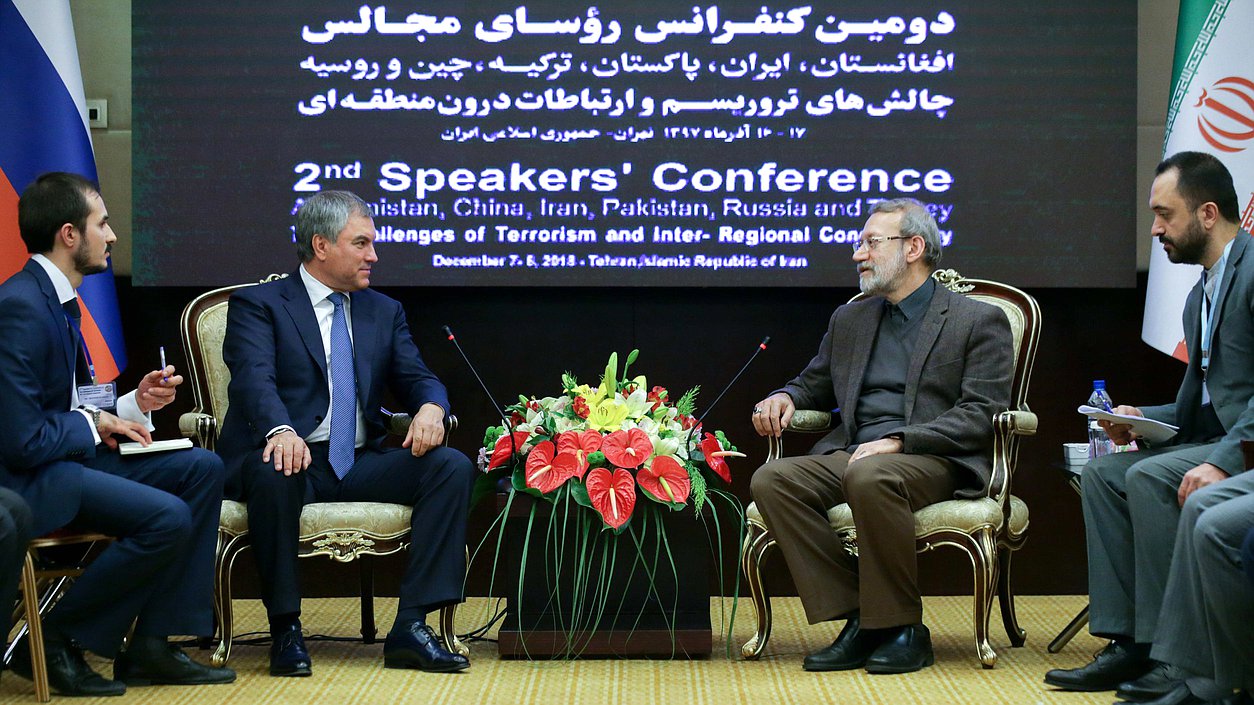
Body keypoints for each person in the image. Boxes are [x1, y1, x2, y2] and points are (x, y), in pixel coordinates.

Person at [749, 198, 1014, 674]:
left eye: (871, 242)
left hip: (932, 458)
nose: (858, 254)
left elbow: (981, 413)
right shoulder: (851, 319)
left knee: (872, 475)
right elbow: (814, 383)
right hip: (854, 452)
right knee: (773, 480)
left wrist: (900, 440)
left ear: (913, 247)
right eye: (860, 242)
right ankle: (860, 617)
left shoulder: (976, 320)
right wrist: (785, 397)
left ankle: (905, 628)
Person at [217, 190, 473, 677]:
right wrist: (280, 429)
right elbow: (253, 378)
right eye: (361, 243)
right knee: (276, 470)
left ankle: (412, 626)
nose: (373, 255)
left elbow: (418, 376)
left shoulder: (382, 309)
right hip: (292, 456)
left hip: (359, 459)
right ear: (320, 245)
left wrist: (430, 407)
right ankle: (286, 629)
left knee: (450, 467)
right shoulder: (261, 304)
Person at [0, 172, 233, 696]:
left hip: (64, 460)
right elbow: (21, 437)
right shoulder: (21, 306)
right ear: (68, 234)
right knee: (166, 517)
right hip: (28, 480)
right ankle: (58, 636)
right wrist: (91, 422)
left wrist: (130, 403)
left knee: (202, 468)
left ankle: (152, 644)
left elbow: (66, 401)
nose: (112, 236)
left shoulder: (54, 297)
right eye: (102, 224)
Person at [1044, 151, 1254, 701]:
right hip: (1216, 436)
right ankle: (1130, 643)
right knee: (1105, 475)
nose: (1156, 228)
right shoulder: (1200, 292)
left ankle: (1173, 655)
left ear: (1208, 213)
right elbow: (1203, 408)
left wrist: (1224, 460)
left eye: (1165, 214)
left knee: (1147, 477)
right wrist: (1140, 418)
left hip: (1244, 448)